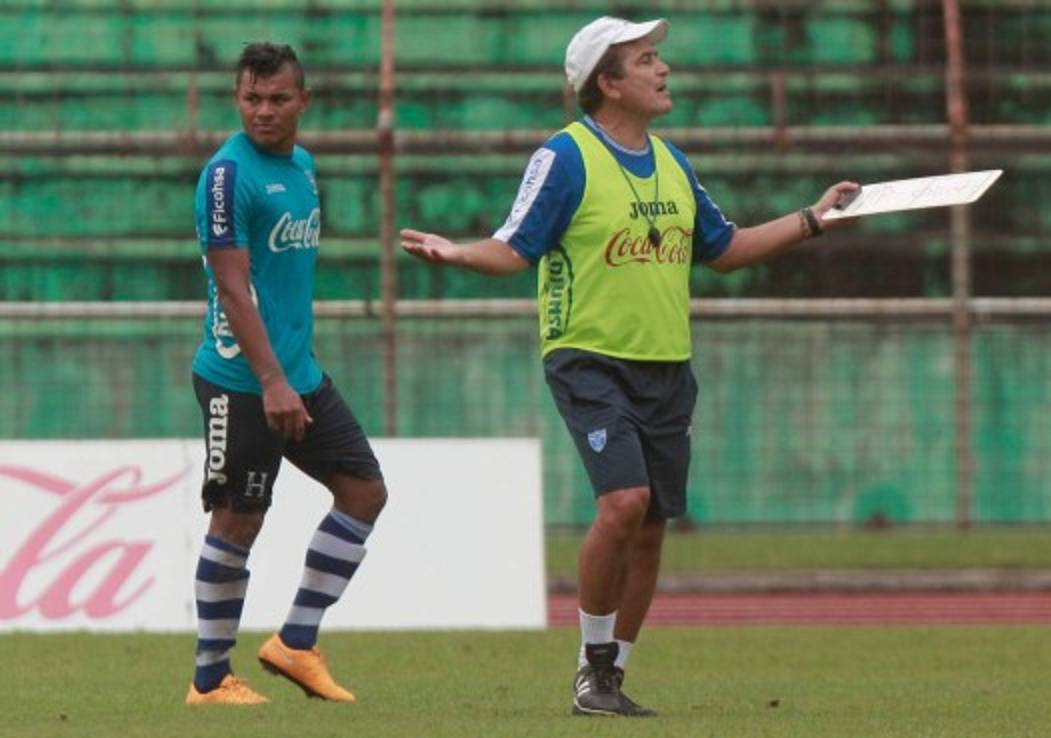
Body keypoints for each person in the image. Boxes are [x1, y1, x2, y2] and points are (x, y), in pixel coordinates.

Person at [401, 17, 858, 717]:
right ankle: (590, 663)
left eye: (659, 58)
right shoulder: (566, 157)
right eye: (647, 60)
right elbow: (515, 246)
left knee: (651, 526)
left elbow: (725, 246)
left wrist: (814, 218)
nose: (663, 69)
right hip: (587, 358)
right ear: (607, 83)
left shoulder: (673, 163)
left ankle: (611, 681)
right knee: (623, 503)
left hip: (667, 366)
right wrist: (459, 253)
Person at [185, 42, 388, 705]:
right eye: (251, 99)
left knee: (363, 492)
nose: (263, 111)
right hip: (242, 379)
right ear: (236, 99)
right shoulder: (225, 177)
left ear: (304, 101)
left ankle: (295, 643)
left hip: (296, 373)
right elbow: (235, 290)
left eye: (277, 99)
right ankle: (210, 681)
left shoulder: (302, 166)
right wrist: (271, 380)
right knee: (238, 520)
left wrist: (289, 375)